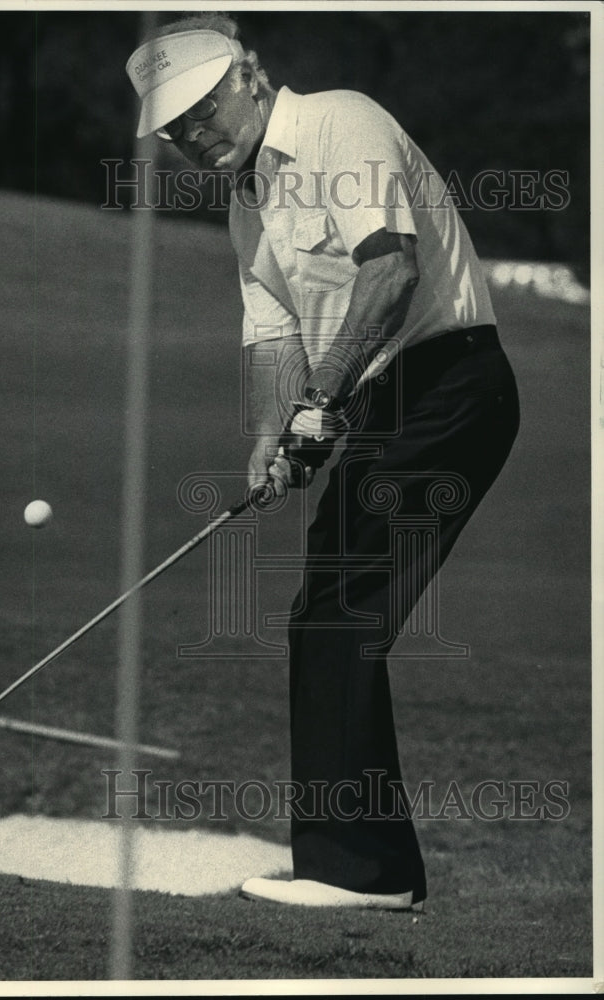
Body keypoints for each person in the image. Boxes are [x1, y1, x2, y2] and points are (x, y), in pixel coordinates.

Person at [126, 14, 519, 909]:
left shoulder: (341, 120)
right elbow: (272, 334)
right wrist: (271, 440)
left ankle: (360, 873)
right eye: (175, 129)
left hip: (452, 386)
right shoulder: (246, 203)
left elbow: (391, 271)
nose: (194, 136)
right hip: (387, 403)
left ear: (250, 77)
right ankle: (356, 867)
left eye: (202, 110)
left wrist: (319, 404)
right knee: (326, 613)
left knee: (340, 609)